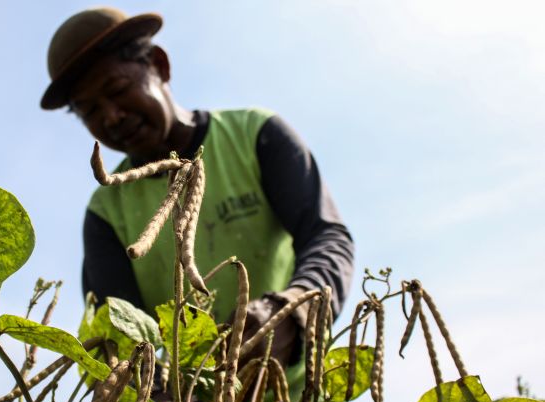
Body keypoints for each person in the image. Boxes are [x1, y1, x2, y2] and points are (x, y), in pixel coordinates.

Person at [40, 6, 354, 371]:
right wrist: (159, 399)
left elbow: (327, 236)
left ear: (159, 65)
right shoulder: (106, 211)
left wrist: (291, 308)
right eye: (90, 111)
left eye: (118, 89)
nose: (111, 116)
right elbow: (117, 336)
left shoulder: (255, 136)